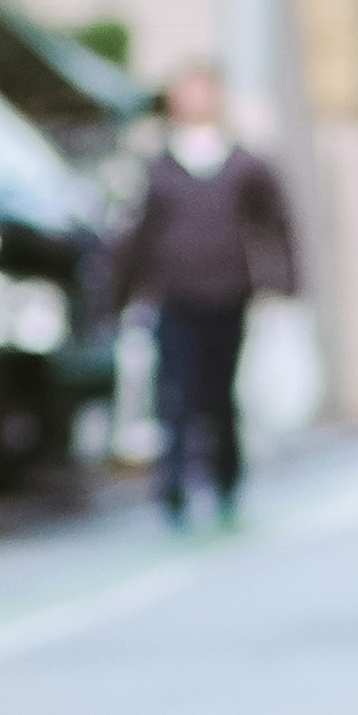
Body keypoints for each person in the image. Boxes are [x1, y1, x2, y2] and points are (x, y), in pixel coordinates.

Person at [112, 62, 300, 528]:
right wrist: (121, 294)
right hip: (174, 296)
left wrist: (283, 285)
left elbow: (276, 224)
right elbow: (137, 234)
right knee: (175, 394)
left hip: (227, 293)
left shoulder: (244, 165)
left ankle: (225, 477)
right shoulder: (159, 167)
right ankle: (172, 485)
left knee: (218, 394)